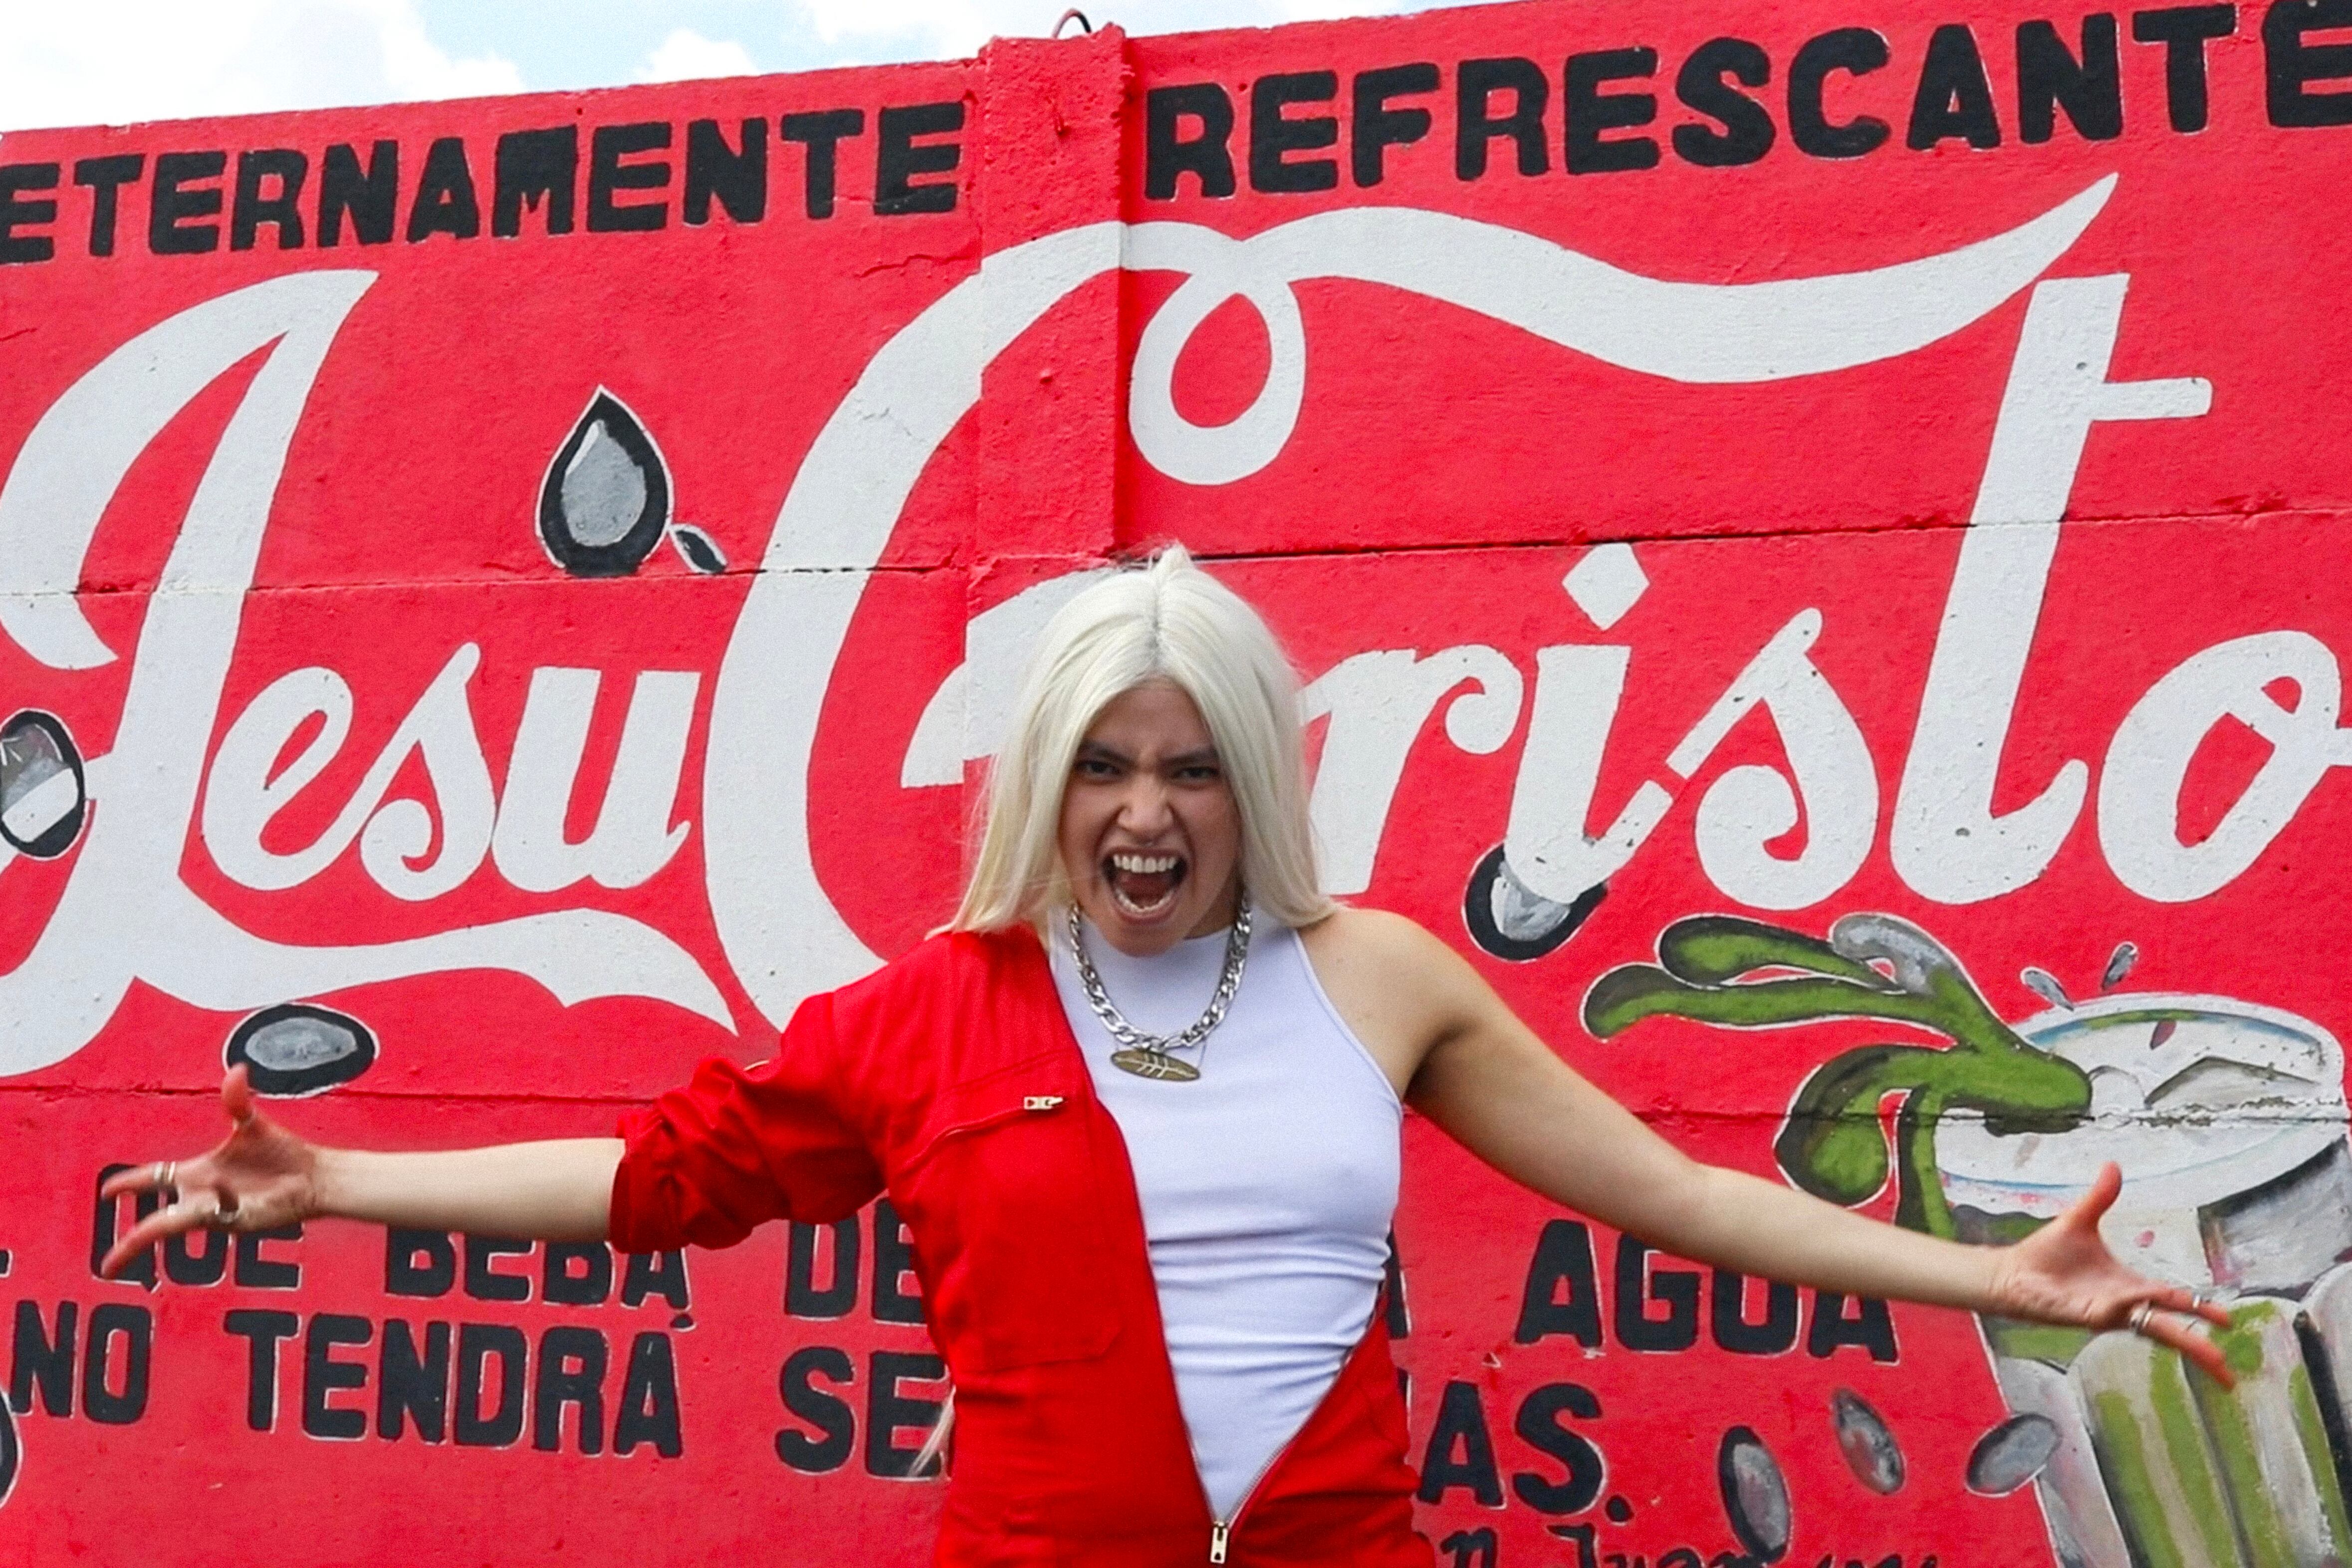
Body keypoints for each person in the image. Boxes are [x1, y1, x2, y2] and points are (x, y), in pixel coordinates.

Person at [103, 547, 2227, 1566]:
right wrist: (335, 1178)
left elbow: (1670, 1194)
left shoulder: (1379, 978)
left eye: (1192, 768)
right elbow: (652, 1186)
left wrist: (1995, 1275)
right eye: (1102, 766)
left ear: (1256, 785)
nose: (1144, 813)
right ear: (1043, 782)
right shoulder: (921, 1015)